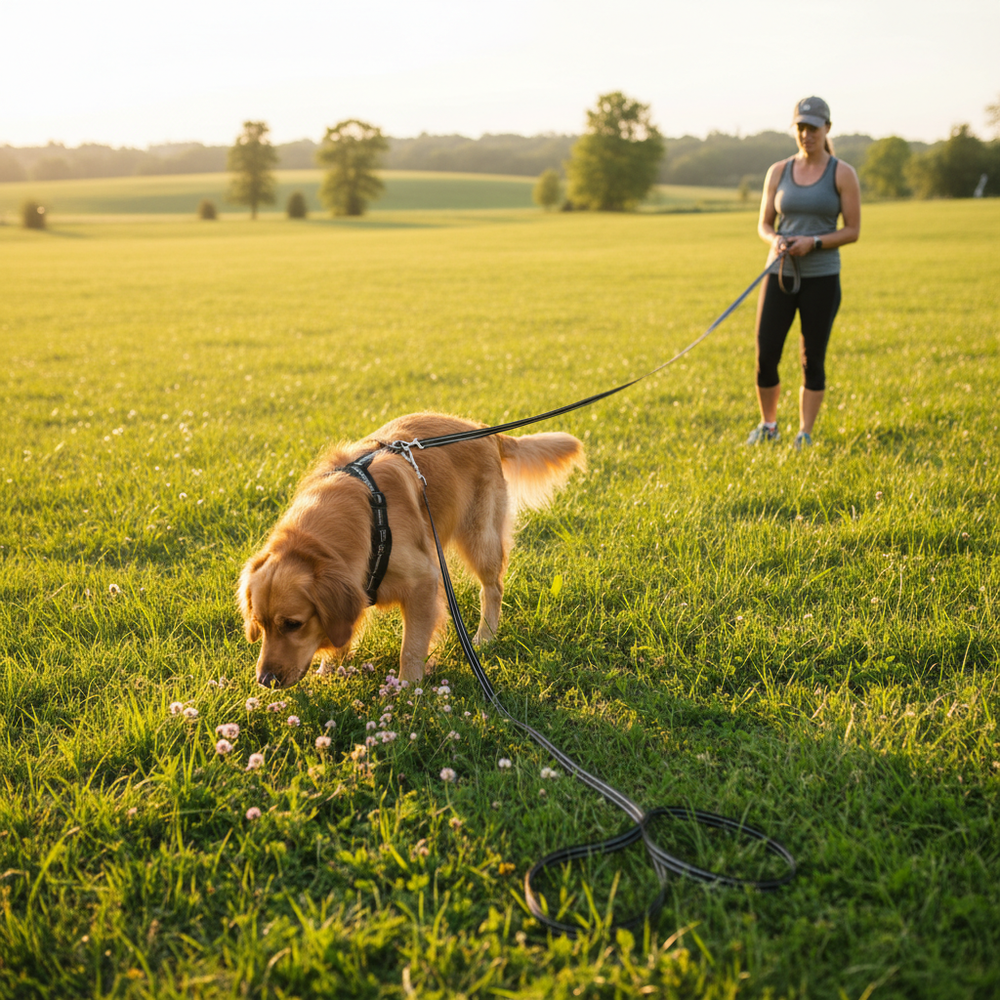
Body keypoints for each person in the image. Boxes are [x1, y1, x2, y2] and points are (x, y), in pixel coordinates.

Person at [747, 96, 861, 449]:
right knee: (766, 353)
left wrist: (812, 242)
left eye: (813, 127)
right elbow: (764, 224)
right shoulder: (778, 171)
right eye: (801, 127)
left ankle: (804, 433)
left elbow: (852, 230)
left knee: (812, 357)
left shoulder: (842, 173)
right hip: (778, 272)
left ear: (827, 128)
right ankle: (769, 425)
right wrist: (777, 239)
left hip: (822, 277)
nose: (807, 134)